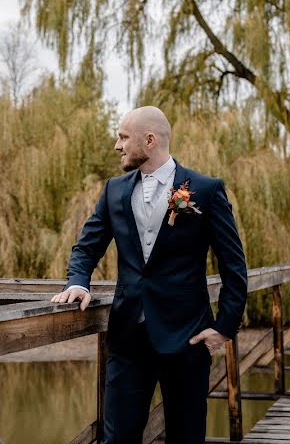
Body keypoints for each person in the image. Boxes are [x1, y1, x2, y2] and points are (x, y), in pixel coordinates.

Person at [51, 107, 248, 444]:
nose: (117, 145)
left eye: (123, 137)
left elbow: (234, 266)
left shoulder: (206, 189)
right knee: (117, 439)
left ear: (150, 140)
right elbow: (85, 247)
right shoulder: (114, 190)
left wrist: (224, 328)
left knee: (186, 437)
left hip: (187, 339)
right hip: (128, 341)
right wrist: (77, 283)